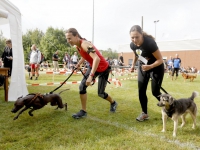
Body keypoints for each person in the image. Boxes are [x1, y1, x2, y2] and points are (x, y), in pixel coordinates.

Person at [65, 28, 117, 119]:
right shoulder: (78, 46)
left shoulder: (84, 44)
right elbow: (85, 56)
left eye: (70, 38)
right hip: (94, 66)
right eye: (67, 39)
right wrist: (78, 64)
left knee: (101, 93)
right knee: (82, 86)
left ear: (76, 36)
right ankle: (83, 111)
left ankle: (113, 102)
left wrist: (91, 76)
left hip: (104, 69)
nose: (68, 41)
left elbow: (97, 59)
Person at [129, 25, 164, 122]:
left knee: (155, 92)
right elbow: (136, 54)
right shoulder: (132, 44)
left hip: (156, 67)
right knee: (141, 90)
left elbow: (160, 59)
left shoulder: (150, 43)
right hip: (143, 67)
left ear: (142, 35)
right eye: (132, 37)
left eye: (137, 37)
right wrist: (133, 65)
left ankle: (171, 107)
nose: (135, 40)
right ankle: (144, 113)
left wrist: (151, 66)